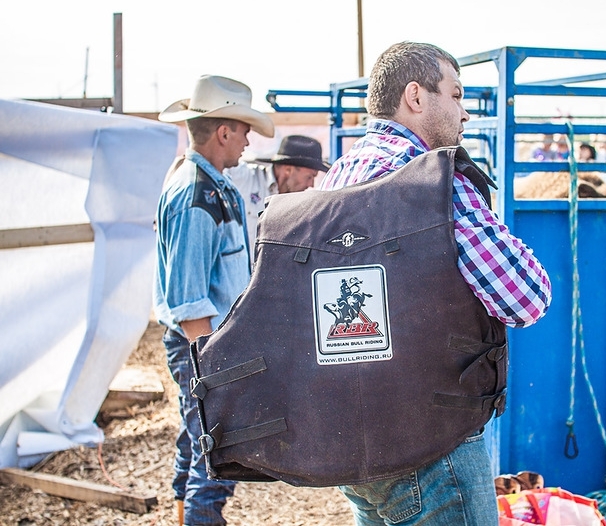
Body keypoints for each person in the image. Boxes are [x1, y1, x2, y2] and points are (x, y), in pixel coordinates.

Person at [318, 41, 552, 526]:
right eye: (457, 94)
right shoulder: (433, 181)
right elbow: (526, 297)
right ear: (416, 97)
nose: (465, 113)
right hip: (429, 441)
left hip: (349, 435)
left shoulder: (339, 174)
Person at [154, 74, 274, 526]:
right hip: (202, 346)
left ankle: (183, 514)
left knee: (196, 439)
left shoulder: (213, 186)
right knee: (218, 451)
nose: (246, 140)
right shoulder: (196, 195)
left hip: (204, 345)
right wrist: (214, 366)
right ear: (223, 132)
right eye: (242, 129)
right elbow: (188, 299)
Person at [226, 135, 329, 259]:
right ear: (288, 170)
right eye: (309, 177)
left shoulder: (301, 202)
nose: (311, 184)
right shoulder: (246, 177)